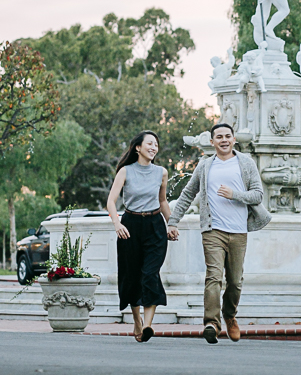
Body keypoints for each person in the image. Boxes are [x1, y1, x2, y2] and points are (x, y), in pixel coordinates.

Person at [166, 122, 271, 344]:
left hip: (239, 231)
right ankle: (211, 323)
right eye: (219, 137)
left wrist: (235, 194)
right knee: (213, 276)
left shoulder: (245, 163)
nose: (223, 140)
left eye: (227, 136)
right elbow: (187, 194)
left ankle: (230, 316)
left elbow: (258, 195)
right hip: (213, 230)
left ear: (234, 139)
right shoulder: (205, 166)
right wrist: (173, 221)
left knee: (235, 282)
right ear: (212, 142)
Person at [107, 131, 172, 342]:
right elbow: (111, 201)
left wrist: (172, 224)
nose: (154, 147)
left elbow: (162, 202)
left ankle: (148, 325)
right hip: (130, 226)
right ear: (138, 147)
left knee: (150, 273)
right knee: (131, 275)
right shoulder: (125, 171)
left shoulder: (161, 172)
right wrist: (117, 223)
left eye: (156, 144)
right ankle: (137, 320)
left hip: (154, 226)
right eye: (150, 143)